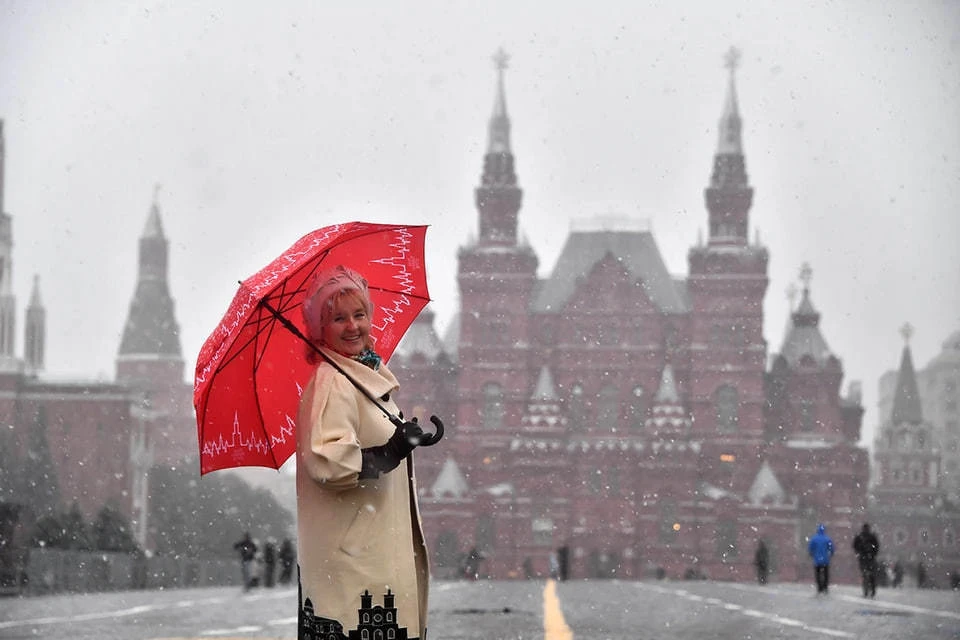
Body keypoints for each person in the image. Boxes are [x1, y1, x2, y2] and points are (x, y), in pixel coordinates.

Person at [295, 265, 442, 639]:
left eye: (359, 314)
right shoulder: (334, 381)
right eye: (338, 318)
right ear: (321, 328)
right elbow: (328, 463)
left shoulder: (361, 376)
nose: (352, 326)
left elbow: (369, 437)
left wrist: (407, 439)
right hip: (356, 558)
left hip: (373, 546)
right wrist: (390, 451)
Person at [852, 522, 880, 598]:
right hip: (871, 558)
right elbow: (877, 546)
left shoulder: (859, 536)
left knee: (864, 575)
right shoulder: (872, 536)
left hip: (863, 558)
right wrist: (873, 554)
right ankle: (872, 590)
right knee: (871, 575)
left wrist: (858, 552)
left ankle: (866, 591)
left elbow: (854, 546)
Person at [807, 523, 834, 594]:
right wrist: (831, 553)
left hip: (817, 560)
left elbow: (810, 548)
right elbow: (831, 548)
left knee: (818, 574)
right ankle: (825, 587)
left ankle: (819, 587)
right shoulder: (827, 539)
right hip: (825, 560)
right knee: (826, 574)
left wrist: (811, 554)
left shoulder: (814, 539)